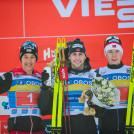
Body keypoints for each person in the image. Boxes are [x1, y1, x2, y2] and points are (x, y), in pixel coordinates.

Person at [38, 38, 104, 134]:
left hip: (88, 125)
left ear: (85, 56)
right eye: (74, 54)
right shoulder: (60, 76)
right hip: (66, 124)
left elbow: (101, 111)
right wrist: (46, 86)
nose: (77, 58)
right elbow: (45, 108)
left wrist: (93, 101)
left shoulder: (94, 75)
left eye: (80, 54)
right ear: (69, 57)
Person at [0, 41, 44, 134]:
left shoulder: (40, 78)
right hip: (18, 130)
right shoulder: (11, 76)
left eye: (32, 57)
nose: (29, 61)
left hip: (38, 130)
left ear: (36, 59)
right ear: (21, 58)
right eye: (25, 57)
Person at [95, 36, 131, 134]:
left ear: (121, 53)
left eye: (117, 51)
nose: (114, 55)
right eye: (110, 52)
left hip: (129, 119)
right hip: (107, 122)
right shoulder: (99, 73)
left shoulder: (131, 71)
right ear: (106, 54)